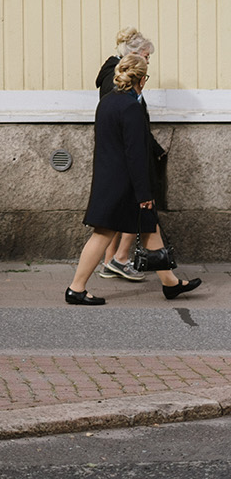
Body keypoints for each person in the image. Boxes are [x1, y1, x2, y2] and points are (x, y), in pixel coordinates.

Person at [66, 53, 202, 306]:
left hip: (109, 178)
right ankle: (76, 288)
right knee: (103, 233)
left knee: (149, 226)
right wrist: (144, 193)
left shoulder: (106, 102)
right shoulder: (130, 106)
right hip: (124, 183)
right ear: (141, 79)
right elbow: (135, 154)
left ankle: (170, 283)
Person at [94, 28, 166, 284]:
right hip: (124, 160)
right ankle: (117, 260)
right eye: (146, 56)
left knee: (127, 216)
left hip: (122, 158)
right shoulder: (119, 88)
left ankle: (114, 262)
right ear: (134, 56)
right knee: (138, 210)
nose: (148, 61)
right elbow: (125, 125)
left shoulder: (115, 80)